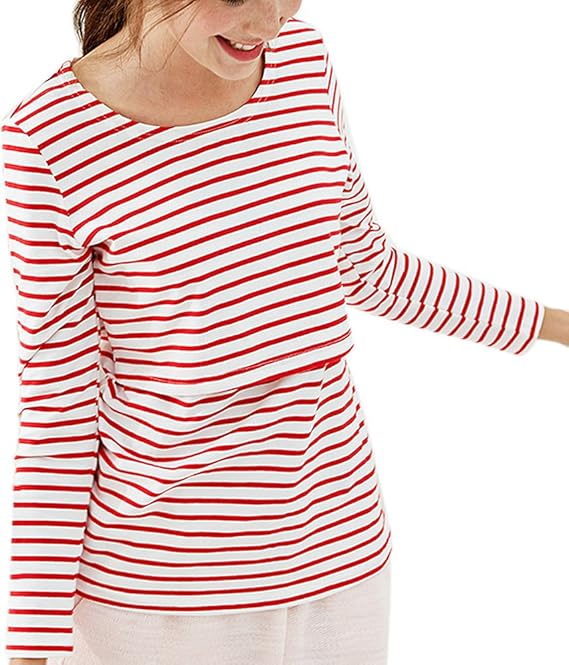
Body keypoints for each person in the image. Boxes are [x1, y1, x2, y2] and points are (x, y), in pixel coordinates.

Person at [2, 1, 567, 664]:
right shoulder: (50, 139)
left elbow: (365, 267)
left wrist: (556, 326)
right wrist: (31, 645)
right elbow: (60, 408)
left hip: (342, 556)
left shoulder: (302, 62)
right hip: (164, 595)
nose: (269, 21)